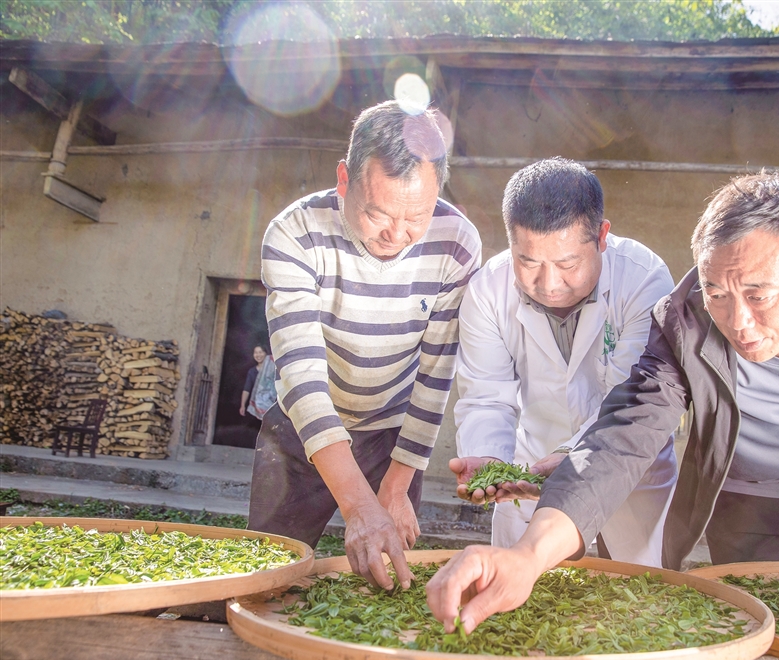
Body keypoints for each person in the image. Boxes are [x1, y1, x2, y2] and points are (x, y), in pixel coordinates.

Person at [426, 171, 779, 635]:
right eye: (716, 293)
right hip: (742, 486)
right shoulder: (684, 317)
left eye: (759, 295)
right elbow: (626, 432)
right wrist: (527, 555)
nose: (738, 322)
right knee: (750, 619)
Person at [248, 100, 482, 591]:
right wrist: (358, 504)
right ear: (344, 179)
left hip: (392, 438)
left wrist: (395, 485)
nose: (397, 235)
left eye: (416, 217)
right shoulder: (294, 233)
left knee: (389, 581)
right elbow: (302, 378)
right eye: (377, 214)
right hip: (300, 431)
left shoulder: (457, 243)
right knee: (269, 575)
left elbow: (436, 375)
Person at [450, 157, 677, 566]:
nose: (549, 284)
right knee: (524, 590)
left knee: (632, 592)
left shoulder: (643, 280)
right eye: (528, 262)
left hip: (628, 468)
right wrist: (489, 458)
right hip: (530, 469)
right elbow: (485, 396)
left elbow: (629, 402)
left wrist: (575, 456)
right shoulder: (487, 291)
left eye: (567, 264)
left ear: (601, 236)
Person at [240, 344, 276, 420]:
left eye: (260, 352)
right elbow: (247, 389)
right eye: (256, 352)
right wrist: (242, 405)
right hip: (256, 408)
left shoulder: (273, 370)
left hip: (272, 406)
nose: (258, 355)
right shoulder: (252, 371)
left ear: (266, 354)